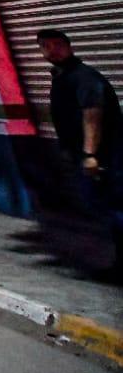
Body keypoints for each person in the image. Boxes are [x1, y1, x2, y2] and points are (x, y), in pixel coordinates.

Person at [37, 30, 122, 280]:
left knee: (114, 209)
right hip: (88, 156)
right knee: (104, 209)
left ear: (67, 46)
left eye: (56, 45)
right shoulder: (64, 77)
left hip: (106, 157)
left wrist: (90, 155)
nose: (50, 50)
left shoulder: (83, 77)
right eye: (45, 46)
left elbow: (92, 115)